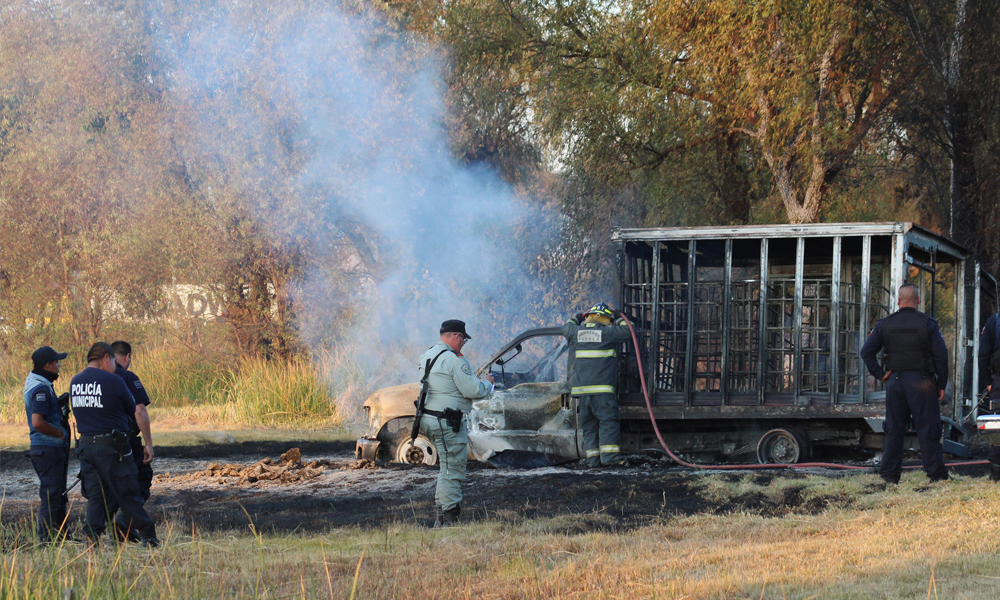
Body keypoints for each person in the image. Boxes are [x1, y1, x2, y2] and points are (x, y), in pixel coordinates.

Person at [860, 283, 949, 484]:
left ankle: (890, 476)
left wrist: (881, 374)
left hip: (896, 383)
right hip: (923, 382)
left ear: (898, 301)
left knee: (894, 429)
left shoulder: (885, 324)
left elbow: (866, 351)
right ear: (917, 300)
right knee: (928, 428)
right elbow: (941, 356)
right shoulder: (928, 323)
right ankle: (936, 475)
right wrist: (941, 384)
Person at [71, 342, 158, 547]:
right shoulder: (114, 380)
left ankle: (91, 539)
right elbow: (133, 409)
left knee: (96, 495)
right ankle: (148, 535)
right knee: (127, 491)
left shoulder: (75, 381)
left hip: (86, 446)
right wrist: (148, 442)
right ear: (106, 359)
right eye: (113, 362)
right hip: (112, 446)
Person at [417, 319, 494, 527]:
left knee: (446, 469)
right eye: (463, 340)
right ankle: (450, 520)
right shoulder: (453, 360)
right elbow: (473, 390)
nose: (462, 345)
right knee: (453, 471)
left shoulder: (428, 355)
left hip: (431, 419)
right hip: (448, 422)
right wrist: (488, 383)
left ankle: (441, 517)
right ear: (457, 336)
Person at [562, 303, 631, 468]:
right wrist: (621, 317)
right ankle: (610, 459)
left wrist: (577, 317)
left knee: (590, 426)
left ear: (589, 317)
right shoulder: (607, 333)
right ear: (604, 318)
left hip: (583, 394)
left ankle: (593, 461)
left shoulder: (577, 333)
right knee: (608, 422)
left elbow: (566, 328)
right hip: (602, 391)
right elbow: (629, 331)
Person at [24, 345, 70, 543]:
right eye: (57, 363)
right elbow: (37, 422)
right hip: (47, 448)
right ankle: (46, 541)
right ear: (48, 365)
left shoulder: (39, 382)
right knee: (51, 495)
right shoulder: (40, 388)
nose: (59, 366)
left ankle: (62, 538)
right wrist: (59, 433)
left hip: (47, 448)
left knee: (57, 494)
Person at [110, 340, 154, 541]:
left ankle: (113, 530)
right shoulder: (127, 376)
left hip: (98, 442)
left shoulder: (92, 378)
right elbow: (139, 410)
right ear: (127, 357)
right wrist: (148, 443)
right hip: (125, 441)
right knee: (141, 478)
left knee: (110, 484)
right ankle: (124, 519)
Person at [977, 312, 1000, 481]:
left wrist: (989, 381)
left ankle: (996, 474)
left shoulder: (994, 321)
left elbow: (983, 355)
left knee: (998, 429)